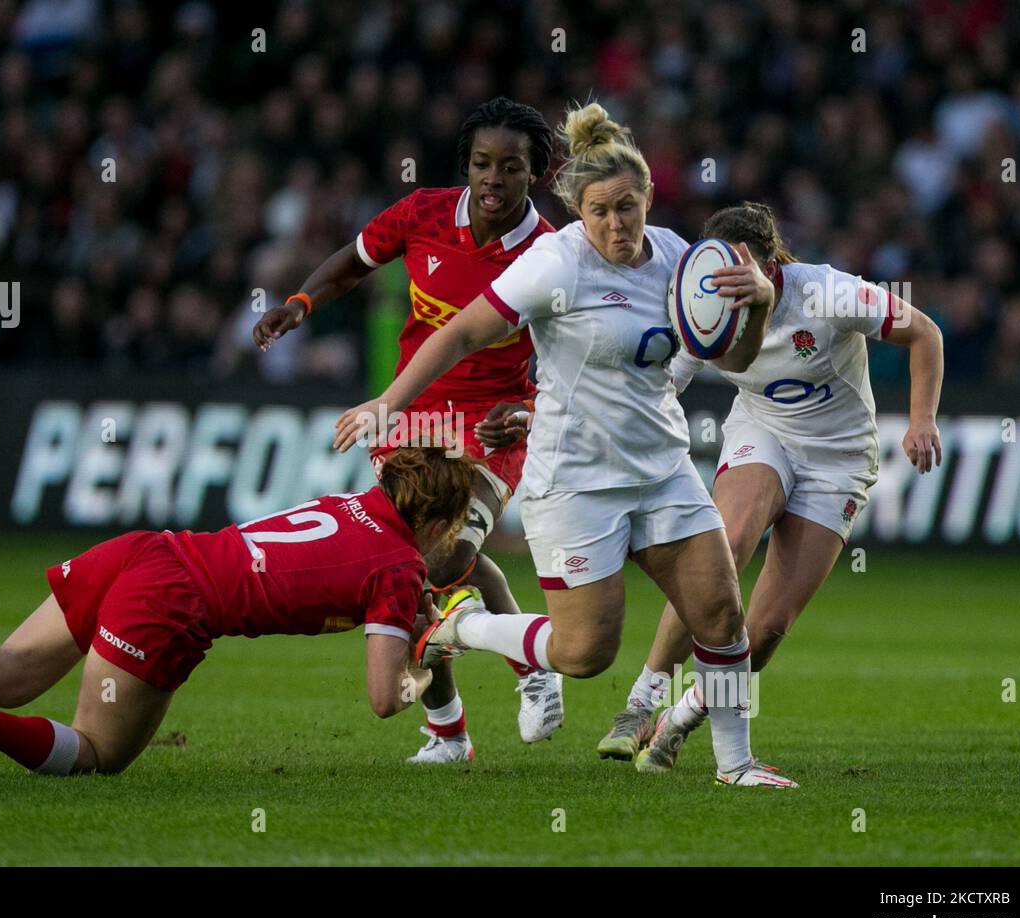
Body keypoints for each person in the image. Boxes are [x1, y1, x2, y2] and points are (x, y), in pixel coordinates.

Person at [336, 102, 797, 787]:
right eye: (600, 210)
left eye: (628, 207)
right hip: (575, 479)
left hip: (662, 468)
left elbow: (732, 360)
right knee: (585, 654)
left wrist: (757, 304)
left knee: (723, 617)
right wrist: (388, 402)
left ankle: (735, 765)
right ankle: (456, 630)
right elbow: (461, 332)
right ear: (579, 210)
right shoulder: (555, 264)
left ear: (647, 201)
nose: (616, 223)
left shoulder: (679, 259)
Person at [0, 449, 474, 778]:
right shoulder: (398, 568)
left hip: (148, 549)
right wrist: (434, 654)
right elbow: (386, 699)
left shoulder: (347, 503)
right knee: (99, 754)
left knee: (8, 669)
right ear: (438, 517)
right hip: (175, 605)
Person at [253, 97, 565, 761]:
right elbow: (352, 260)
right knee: (405, 570)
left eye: (511, 167)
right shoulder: (424, 213)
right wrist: (300, 303)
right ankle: (449, 731)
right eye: (482, 163)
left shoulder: (551, 253)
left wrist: (532, 412)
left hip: (490, 425)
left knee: (449, 558)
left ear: (535, 173)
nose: (493, 178)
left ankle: (532, 670)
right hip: (412, 415)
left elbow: (569, 356)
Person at [602, 201, 944, 772]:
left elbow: (925, 333)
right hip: (763, 430)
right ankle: (642, 699)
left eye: (744, 270)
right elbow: (666, 385)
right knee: (725, 545)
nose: (731, 285)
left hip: (838, 460)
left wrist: (922, 419)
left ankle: (684, 714)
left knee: (763, 631)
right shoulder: (705, 305)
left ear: (772, 265)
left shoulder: (828, 293)